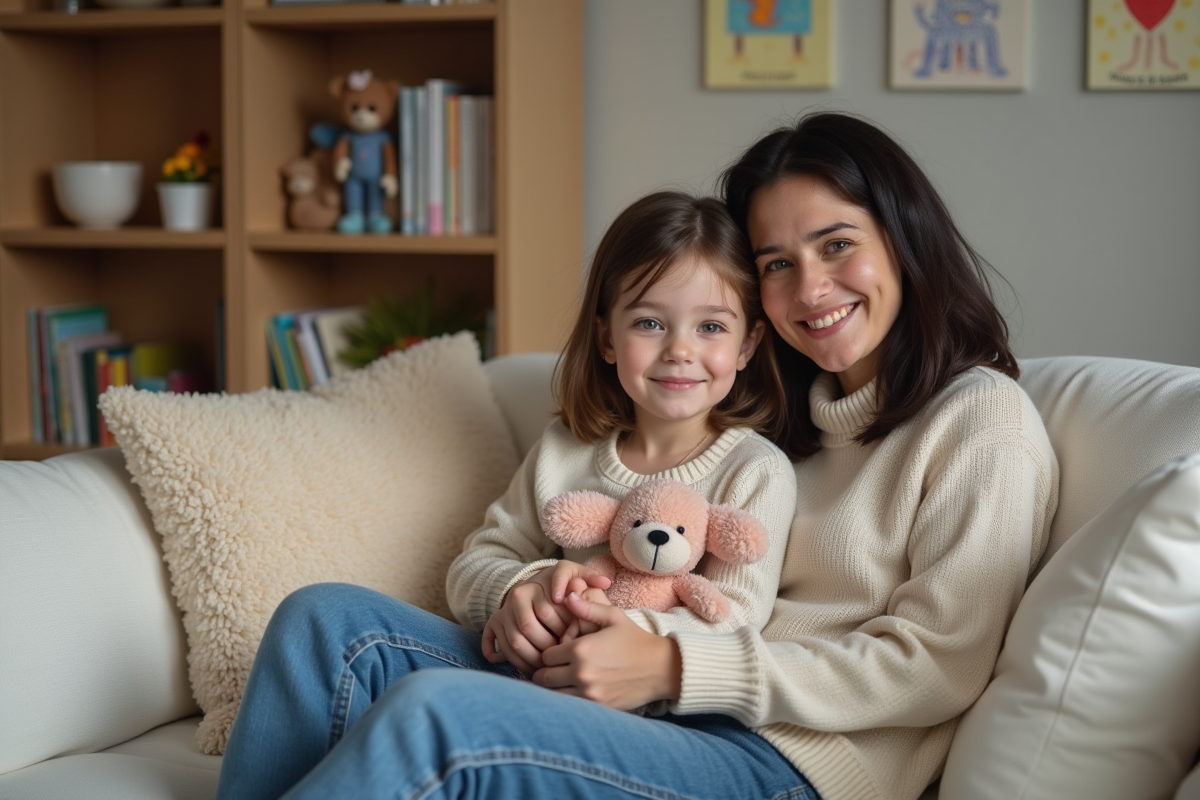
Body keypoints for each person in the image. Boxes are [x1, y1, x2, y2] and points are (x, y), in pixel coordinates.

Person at [214, 190, 801, 800]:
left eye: (711, 326)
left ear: (748, 345)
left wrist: (616, 633)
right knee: (319, 615)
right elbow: (478, 561)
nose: (680, 348)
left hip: (651, 710)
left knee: (436, 706)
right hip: (530, 666)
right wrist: (520, 589)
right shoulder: (566, 448)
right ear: (606, 337)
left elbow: (734, 620)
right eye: (649, 322)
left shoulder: (755, 470)